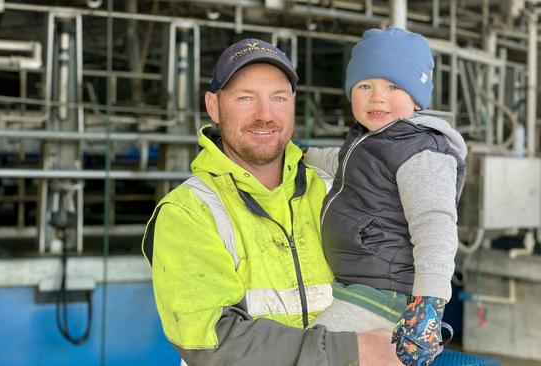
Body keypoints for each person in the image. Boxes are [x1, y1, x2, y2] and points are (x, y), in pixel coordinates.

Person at [142, 38, 400, 365]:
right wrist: (354, 350)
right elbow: (213, 344)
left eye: (278, 98)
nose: (265, 115)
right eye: (246, 98)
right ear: (213, 106)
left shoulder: (333, 192)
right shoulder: (188, 212)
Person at [305, 28, 467, 366]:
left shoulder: (421, 153)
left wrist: (429, 305)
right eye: (365, 86)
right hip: (355, 283)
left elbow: (435, 229)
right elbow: (341, 162)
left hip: (383, 295)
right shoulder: (372, 140)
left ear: (417, 98)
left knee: (311, 353)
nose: (377, 98)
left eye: (393, 87)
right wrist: (297, 156)